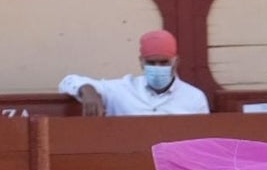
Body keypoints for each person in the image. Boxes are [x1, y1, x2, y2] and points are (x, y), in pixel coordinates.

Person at [58, 29, 210, 116]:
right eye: (151, 62)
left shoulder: (193, 98)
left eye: (164, 62)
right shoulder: (122, 89)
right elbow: (68, 81)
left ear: (175, 62)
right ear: (141, 62)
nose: (157, 67)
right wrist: (87, 90)